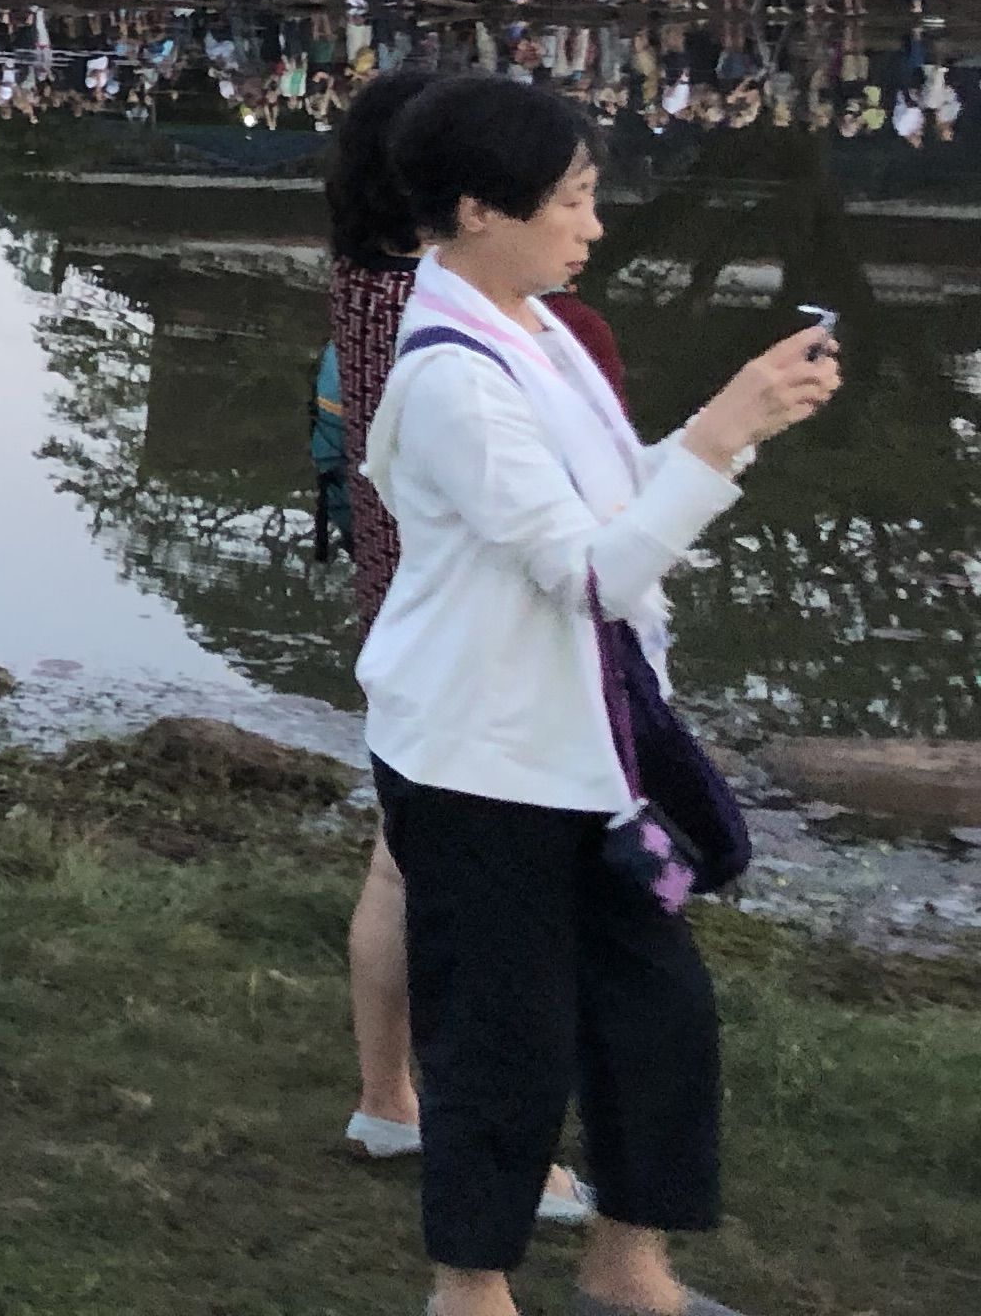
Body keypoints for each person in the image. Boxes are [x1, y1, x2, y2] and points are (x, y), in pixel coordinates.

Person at [362, 74, 839, 1316]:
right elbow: (589, 572)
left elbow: (615, 494)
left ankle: (632, 1266)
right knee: (499, 1044)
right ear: (478, 210)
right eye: (573, 200)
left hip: (601, 755)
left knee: (662, 1010)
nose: (595, 226)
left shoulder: (542, 328)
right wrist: (725, 433)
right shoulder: (456, 377)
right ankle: (469, 1292)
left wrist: (726, 429)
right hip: (481, 765)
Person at [326, 68, 603, 1229]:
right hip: (468, 605)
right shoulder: (457, 312)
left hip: (402, 583)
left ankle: (391, 1096)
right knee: (474, 903)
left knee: (404, 864)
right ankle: (493, 1144)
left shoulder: (365, 279)